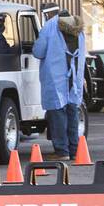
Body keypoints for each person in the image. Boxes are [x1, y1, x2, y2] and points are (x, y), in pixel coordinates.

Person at [32, 9, 86, 161]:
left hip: (56, 76)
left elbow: (38, 51)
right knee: (72, 111)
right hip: (74, 77)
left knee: (57, 113)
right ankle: (74, 150)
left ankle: (62, 151)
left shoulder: (50, 26)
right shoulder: (79, 29)